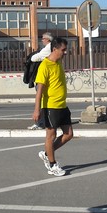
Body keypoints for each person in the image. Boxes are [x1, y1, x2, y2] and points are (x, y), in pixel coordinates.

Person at [33, 37, 73, 177]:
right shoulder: (45, 66)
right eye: (63, 50)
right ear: (54, 49)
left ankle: (46, 153)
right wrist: (37, 109)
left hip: (62, 105)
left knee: (69, 134)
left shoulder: (59, 62)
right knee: (51, 135)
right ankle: (52, 165)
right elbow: (39, 90)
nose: (65, 52)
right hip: (50, 107)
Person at [27, 32, 53, 130]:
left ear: (47, 39)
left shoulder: (48, 48)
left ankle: (40, 122)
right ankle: (45, 121)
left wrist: (36, 55)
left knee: (41, 98)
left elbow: (34, 58)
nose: (42, 40)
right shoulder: (53, 47)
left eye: (43, 38)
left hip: (43, 77)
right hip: (49, 77)